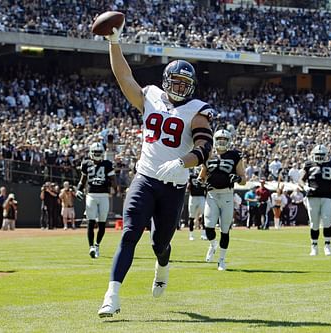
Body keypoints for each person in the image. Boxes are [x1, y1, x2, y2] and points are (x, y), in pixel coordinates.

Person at [98, 21, 214, 318]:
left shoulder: (198, 110)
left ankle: (162, 265)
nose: (177, 88)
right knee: (129, 235)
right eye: (174, 81)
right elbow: (124, 76)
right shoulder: (149, 96)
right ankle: (112, 294)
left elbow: (203, 149)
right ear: (166, 81)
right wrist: (114, 42)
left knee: (159, 242)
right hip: (145, 178)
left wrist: (180, 162)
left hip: (174, 185)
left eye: (183, 84)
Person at [199, 129, 246, 271]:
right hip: (212, 195)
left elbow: (243, 179)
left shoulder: (235, 155)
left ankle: (221, 260)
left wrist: (237, 178)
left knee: (225, 230)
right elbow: (202, 176)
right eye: (219, 139)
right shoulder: (208, 155)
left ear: (229, 141)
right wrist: (199, 181)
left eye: (224, 140)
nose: (221, 142)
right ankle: (213, 245)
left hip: (227, 195)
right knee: (208, 226)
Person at [300, 145, 331, 256]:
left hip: (328, 196)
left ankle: (327, 245)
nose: (319, 157)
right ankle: (314, 246)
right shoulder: (308, 164)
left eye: (321, 155)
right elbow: (301, 179)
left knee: (327, 221)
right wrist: (305, 186)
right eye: (318, 155)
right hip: (312, 196)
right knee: (314, 223)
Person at [76, 142, 118, 258]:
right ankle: (91, 247)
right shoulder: (86, 163)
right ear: (91, 153)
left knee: (102, 223)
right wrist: (78, 189)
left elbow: (114, 181)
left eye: (99, 152)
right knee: (91, 222)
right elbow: (83, 179)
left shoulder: (107, 164)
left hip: (104, 195)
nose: (97, 154)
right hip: (91, 195)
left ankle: (97, 245)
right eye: (96, 152)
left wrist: (110, 184)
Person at [186, 166, 207, 241]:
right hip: (193, 197)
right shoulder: (192, 176)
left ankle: (203, 234)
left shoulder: (204, 177)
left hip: (201, 197)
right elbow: (188, 188)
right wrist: (189, 184)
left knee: (204, 216)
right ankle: (191, 235)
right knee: (191, 217)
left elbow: (206, 189)